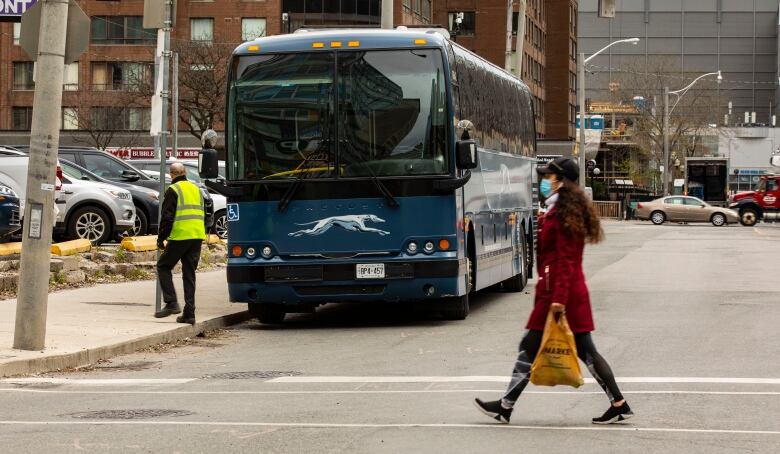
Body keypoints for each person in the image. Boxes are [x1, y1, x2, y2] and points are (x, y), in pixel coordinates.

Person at [474, 157, 633, 425]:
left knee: (531, 346)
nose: (545, 181)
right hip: (564, 292)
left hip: (561, 295)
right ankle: (619, 403)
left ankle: (505, 406)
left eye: (549, 177)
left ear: (560, 180)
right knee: (583, 351)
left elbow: (566, 260)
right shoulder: (558, 209)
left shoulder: (562, 213)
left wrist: (558, 300)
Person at [154, 162, 207, 325]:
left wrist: (161, 238)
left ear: (172, 175)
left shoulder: (173, 190)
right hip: (197, 236)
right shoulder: (196, 190)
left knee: (163, 266)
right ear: (184, 173)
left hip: (180, 236)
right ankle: (189, 313)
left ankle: (171, 303)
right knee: (189, 274)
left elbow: (167, 217)